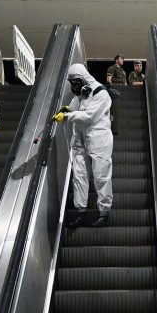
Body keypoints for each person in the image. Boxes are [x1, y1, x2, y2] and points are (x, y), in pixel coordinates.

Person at [53, 63, 114, 227]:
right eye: (71, 82)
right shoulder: (80, 95)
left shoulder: (101, 94)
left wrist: (67, 116)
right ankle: (81, 213)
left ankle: (104, 214)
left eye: (75, 81)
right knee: (79, 177)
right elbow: (73, 108)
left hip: (99, 140)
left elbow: (89, 116)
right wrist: (65, 109)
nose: (73, 85)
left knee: (101, 176)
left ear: (83, 78)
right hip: (80, 141)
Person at [106, 55, 126, 135]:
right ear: (116, 60)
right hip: (115, 90)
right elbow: (109, 79)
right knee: (113, 111)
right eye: (121, 59)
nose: (122, 60)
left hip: (123, 91)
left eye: (123, 59)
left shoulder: (122, 71)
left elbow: (125, 82)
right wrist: (111, 88)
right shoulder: (112, 68)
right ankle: (111, 128)